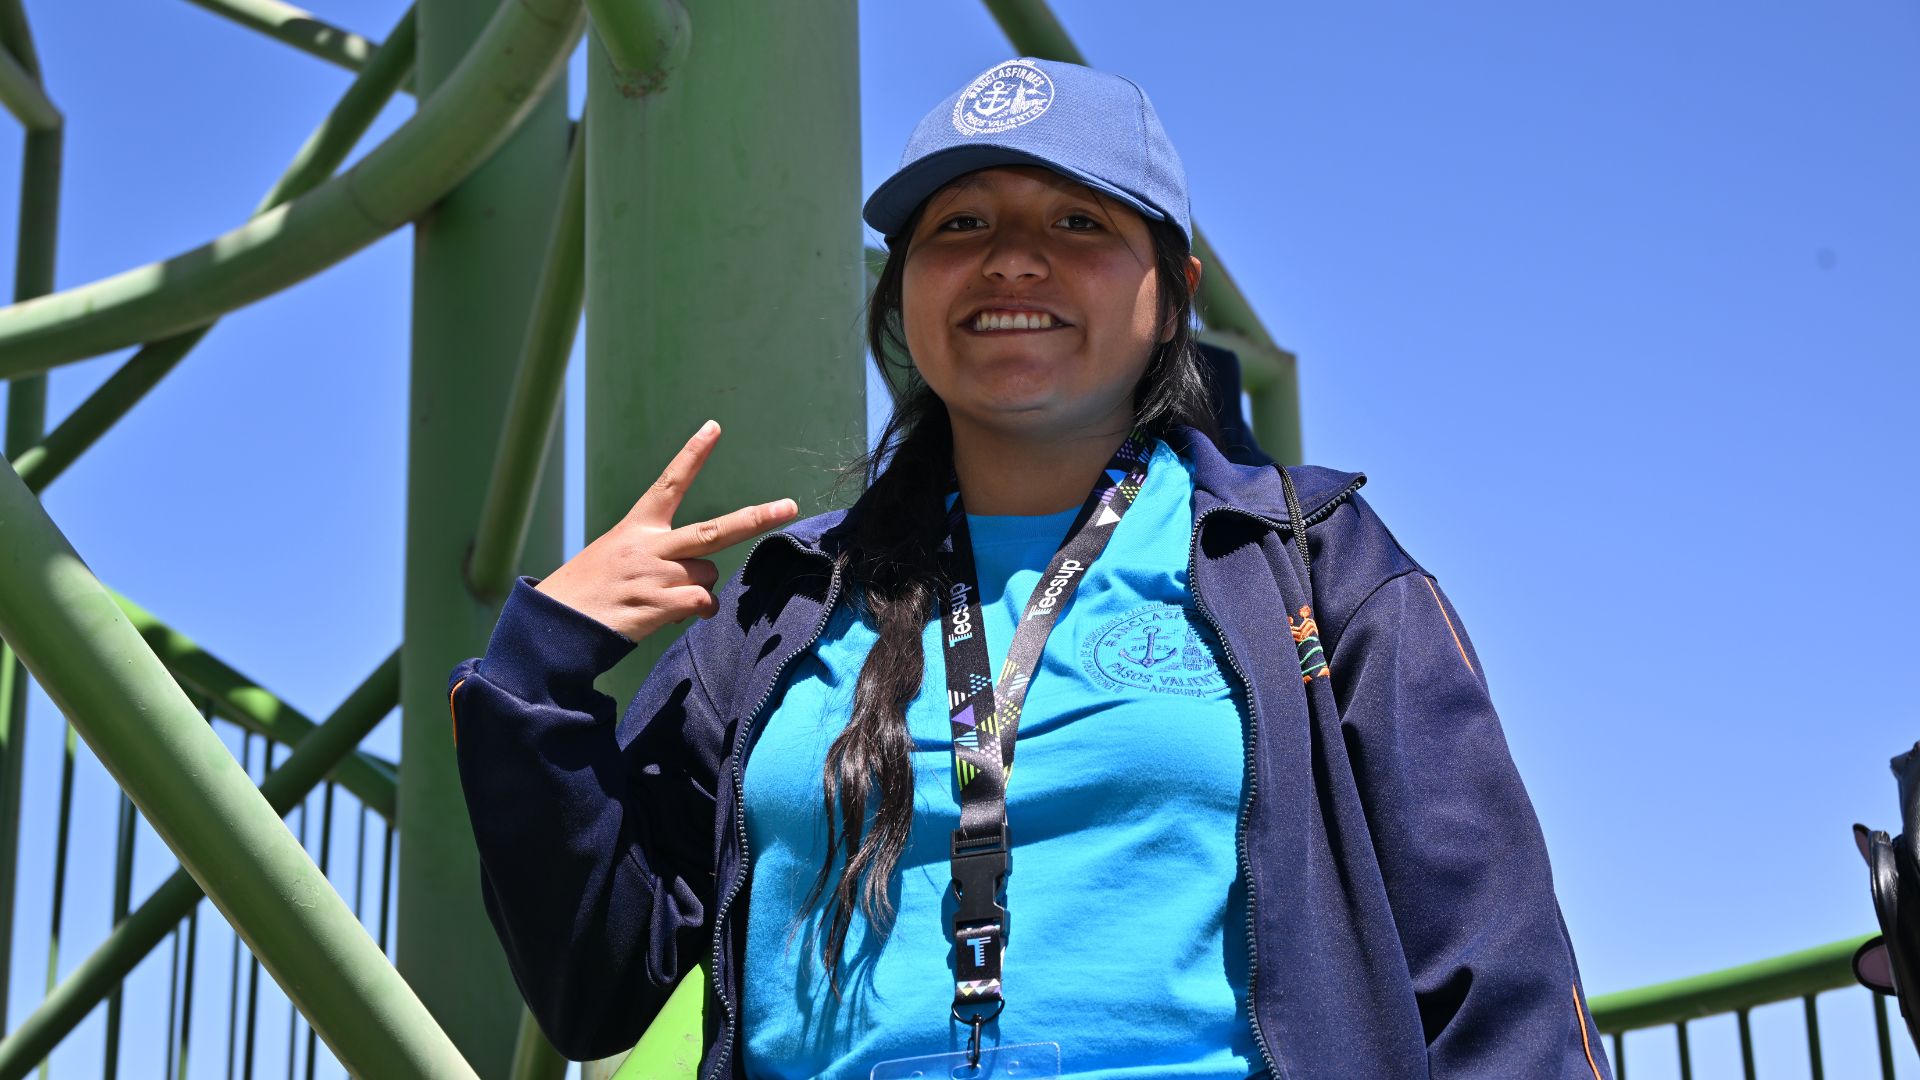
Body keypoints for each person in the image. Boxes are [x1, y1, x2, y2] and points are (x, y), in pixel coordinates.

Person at [449, 57, 1613, 1080]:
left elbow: (1495, 975)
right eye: (959, 225)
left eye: (1078, 224)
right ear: (902, 290)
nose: (1012, 261)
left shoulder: (1312, 562)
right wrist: (540, 670)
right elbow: (596, 985)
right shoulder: (788, 601)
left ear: (1174, 296)